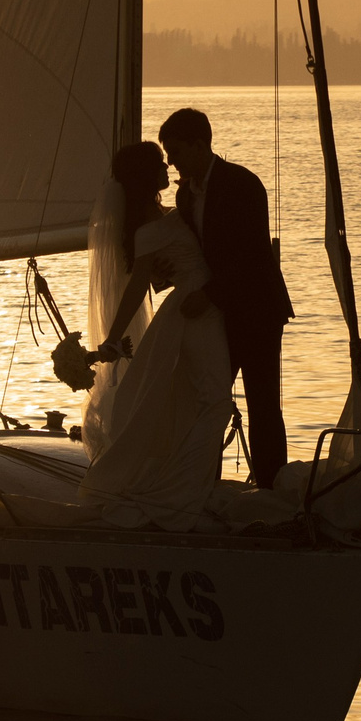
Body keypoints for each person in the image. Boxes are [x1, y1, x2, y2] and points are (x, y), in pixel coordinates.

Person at [77, 142, 235, 529]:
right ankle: (177, 496)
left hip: (200, 305)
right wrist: (113, 338)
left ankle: (188, 488)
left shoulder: (164, 213)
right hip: (194, 312)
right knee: (215, 403)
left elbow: (169, 268)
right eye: (158, 163)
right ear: (145, 176)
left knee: (197, 402)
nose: (168, 165)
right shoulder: (148, 228)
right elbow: (136, 290)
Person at [156, 106, 292, 486]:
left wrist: (209, 295)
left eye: (177, 152)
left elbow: (251, 256)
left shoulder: (243, 185)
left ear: (200, 146)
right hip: (217, 316)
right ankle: (202, 485)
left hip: (257, 310)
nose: (172, 163)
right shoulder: (185, 197)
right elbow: (196, 251)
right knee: (209, 400)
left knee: (262, 403)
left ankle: (271, 486)